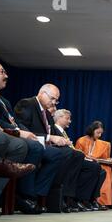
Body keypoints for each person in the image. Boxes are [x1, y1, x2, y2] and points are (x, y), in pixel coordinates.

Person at [0, 61, 64, 214]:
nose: (6, 75)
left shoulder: (5, 101)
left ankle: (30, 196)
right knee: (30, 146)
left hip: (13, 136)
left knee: (63, 153)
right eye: (1, 71)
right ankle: (25, 196)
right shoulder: (25, 103)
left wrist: (23, 133)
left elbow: (14, 122)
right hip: (1, 135)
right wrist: (21, 133)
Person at [14, 84, 87, 212]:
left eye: (56, 100)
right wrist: (50, 138)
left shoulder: (46, 113)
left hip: (46, 146)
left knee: (76, 154)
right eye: (52, 99)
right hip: (29, 144)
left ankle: (45, 195)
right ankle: (29, 195)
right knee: (58, 154)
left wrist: (56, 140)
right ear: (42, 93)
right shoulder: (27, 103)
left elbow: (50, 133)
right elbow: (23, 129)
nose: (54, 102)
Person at [53, 109, 107, 211]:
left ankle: (85, 199)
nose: (70, 121)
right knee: (91, 166)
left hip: (74, 158)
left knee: (98, 168)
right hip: (65, 159)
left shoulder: (63, 132)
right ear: (59, 118)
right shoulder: (53, 129)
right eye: (67, 118)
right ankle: (74, 199)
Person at [75, 121, 112, 206]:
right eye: (98, 133)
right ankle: (84, 199)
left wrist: (108, 159)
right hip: (83, 165)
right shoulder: (81, 140)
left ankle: (94, 199)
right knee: (96, 170)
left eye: (101, 133)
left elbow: (103, 158)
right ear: (92, 130)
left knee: (104, 171)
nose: (99, 135)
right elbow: (77, 156)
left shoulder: (101, 143)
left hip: (95, 165)